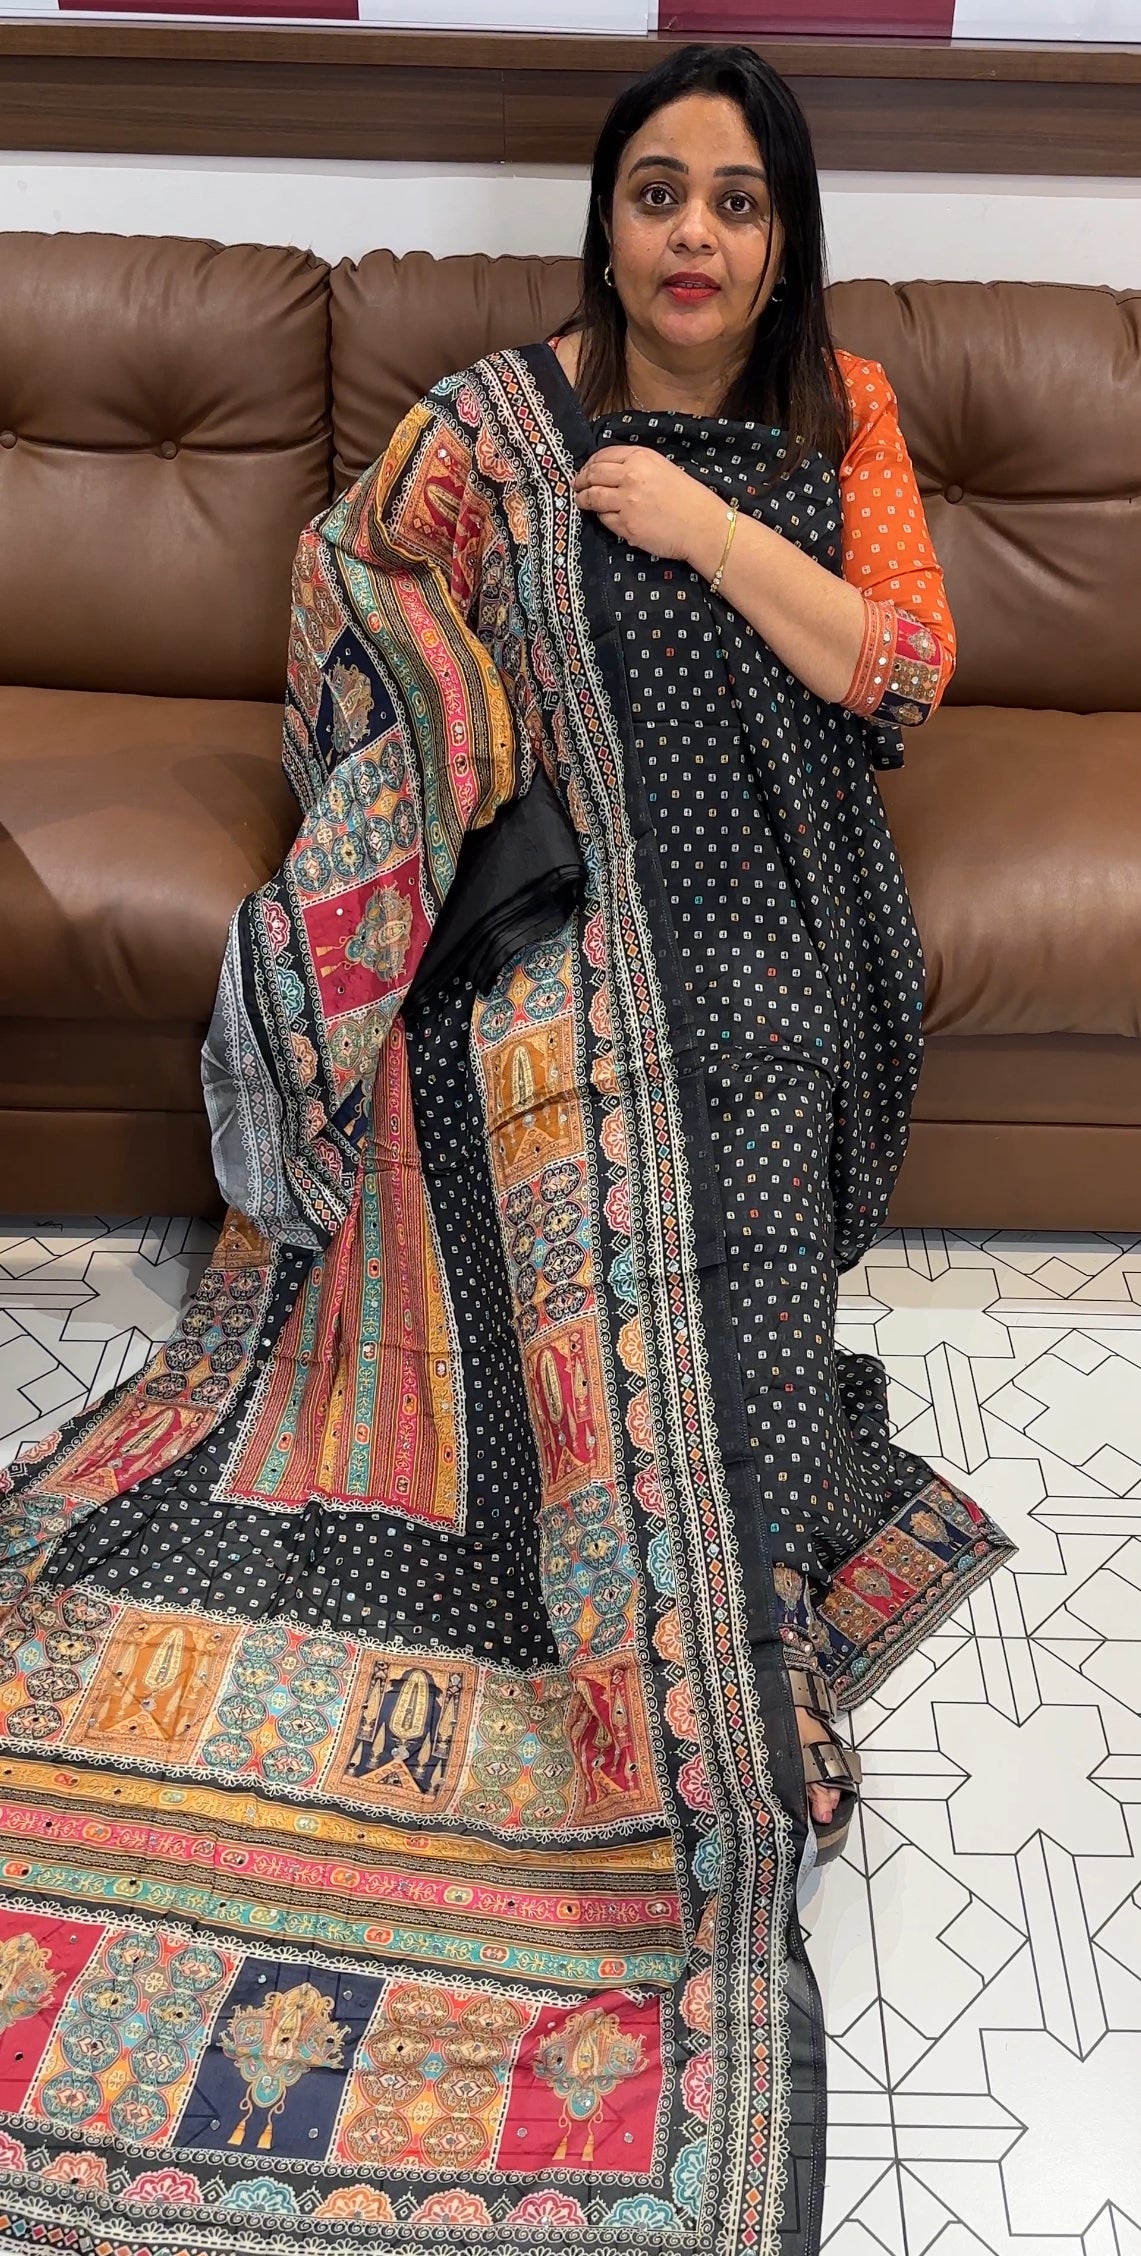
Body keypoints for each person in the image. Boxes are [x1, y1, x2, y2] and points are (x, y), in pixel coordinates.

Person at [0, 43, 1011, 2256]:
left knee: (732, 1172)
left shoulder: (839, 420)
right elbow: (349, 595)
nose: (692, 236)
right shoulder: (489, 425)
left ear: (781, 237)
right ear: (607, 220)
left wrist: (702, 528)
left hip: (771, 918)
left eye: (734, 200)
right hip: (545, 913)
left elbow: (902, 676)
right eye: (657, 193)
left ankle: (709, 1612)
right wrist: (444, 741)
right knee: (470, 1127)